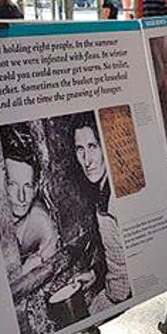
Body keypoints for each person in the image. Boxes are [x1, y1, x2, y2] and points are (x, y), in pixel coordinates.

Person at [71, 113, 131, 305]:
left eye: (93, 147)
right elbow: (120, 256)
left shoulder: (115, 200)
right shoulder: (104, 190)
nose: (86, 160)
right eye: (80, 149)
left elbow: (124, 286)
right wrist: (96, 273)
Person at [0, 124, 61, 299]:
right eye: (12, 184)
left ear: (35, 188)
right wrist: (22, 273)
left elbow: (51, 268)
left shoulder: (40, 222)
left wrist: (29, 271)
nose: (21, 197)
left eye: (27, 186)